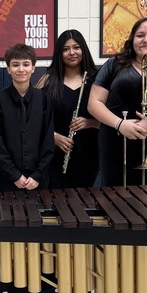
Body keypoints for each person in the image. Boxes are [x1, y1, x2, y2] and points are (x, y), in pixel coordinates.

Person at [88, 17, 147, 186]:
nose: (146, 40)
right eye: (140, 35)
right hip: (116, 144)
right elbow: (94, 103)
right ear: (132, 39)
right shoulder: (114, 64)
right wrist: (120, 124)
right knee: (116, 199)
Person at [36, 29, 100, 188]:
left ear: (83, 49)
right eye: (65, 49)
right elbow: (32, 118)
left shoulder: (96, 79)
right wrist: (53, 136)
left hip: (88, 154)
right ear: (59, 53)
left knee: (83, 201)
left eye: (76, 47)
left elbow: (111, 119)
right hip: (54, 154)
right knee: (56, 201)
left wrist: (90, 123)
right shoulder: (48, 79)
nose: (72, 52)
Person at [0, 43, 54, 192]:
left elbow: (48, 142)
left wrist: (38, 175)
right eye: (15, 65)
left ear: (33, 68)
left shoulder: (44, 99)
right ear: (8, 69)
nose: (21, 69)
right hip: (6, 180)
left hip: (39, 180)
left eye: (26, 64)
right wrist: (14, 175)